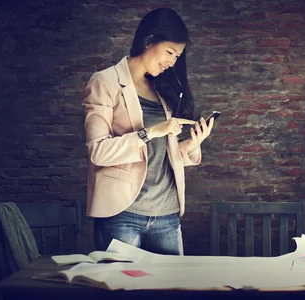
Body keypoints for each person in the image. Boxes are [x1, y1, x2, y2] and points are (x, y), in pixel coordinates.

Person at [82, 8, 214, 255]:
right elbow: (98, 152)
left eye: (178, 55)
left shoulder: (161, 88)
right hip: (122, 214)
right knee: (123, 290)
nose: (172, 62)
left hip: (166, 214)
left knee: (172, 291)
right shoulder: (105, 81)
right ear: (148, 40)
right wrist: (150, 132)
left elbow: (161, 155)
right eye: (169, 52)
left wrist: (194, 144)